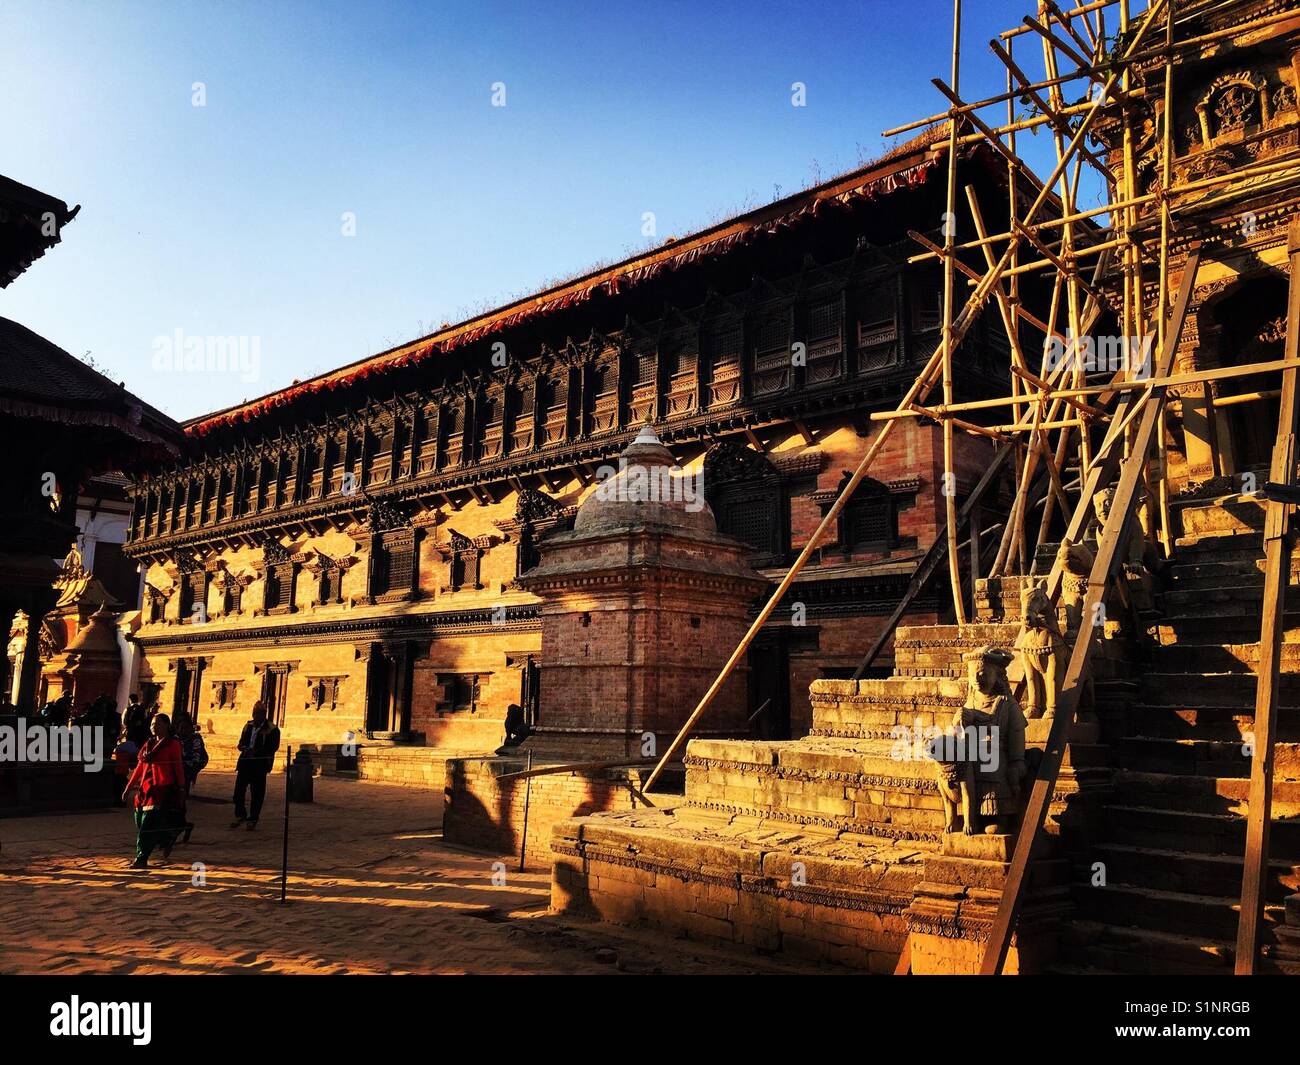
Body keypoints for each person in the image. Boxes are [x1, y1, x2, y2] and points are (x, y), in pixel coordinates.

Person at [122, 712, 186, 869]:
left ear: (167, 726)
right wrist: (128, 787)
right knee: (140, 820)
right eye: (152, 724)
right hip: (145, 788)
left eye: (158, 724)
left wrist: (182, 786)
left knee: (147, 825)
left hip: (161, 788)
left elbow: (177, 766)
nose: (154, 727)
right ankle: (167, 838)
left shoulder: (173, 744)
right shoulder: (148, 745)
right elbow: (140, 767)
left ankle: (141, 857)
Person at [231, 701, 280, 830]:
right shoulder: (248, 726)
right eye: (255, 713)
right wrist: (243, 747)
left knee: (257, 793)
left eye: (259, 714)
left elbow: (273, 747)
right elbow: (242, 741)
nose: (256, 716)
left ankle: (253, 818)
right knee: (238, 792)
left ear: (264, 715)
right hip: (245, 761)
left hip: (259, 764)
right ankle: (241, 814)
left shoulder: (272, 729)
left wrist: (257, 752)